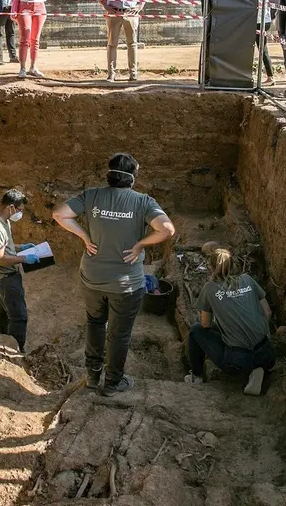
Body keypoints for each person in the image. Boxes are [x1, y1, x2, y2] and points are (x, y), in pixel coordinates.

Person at [53, 153, 175, 396]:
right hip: (126, 284)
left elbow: (59, 214)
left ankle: (92, 376)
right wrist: (140, 245)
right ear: (133, 178)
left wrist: (84, 236)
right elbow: (167, 229)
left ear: (109, 175)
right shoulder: (143, 201)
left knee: (96, 323)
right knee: (119, 334)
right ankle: (113, 383)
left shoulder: (92, 195)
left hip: (92, 278)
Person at [184, 248, 275, 395]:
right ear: (233, 265)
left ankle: (197, 377)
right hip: (267, 354)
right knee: (251, 347)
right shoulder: (247, 280)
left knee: (195, 330)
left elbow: (206, 324)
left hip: (236, 362)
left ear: (211, 267)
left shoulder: (210, 288)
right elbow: (268, 312)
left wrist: (223, 324)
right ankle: (257, 368)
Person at [0, 189, 40, 351]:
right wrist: (24, 259)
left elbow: (5, 248)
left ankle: (2, 342)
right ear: (11, 207)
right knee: (19, 317)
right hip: (5, 276)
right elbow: (0, 258)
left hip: (2, 274)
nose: (20, 214)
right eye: (20, 211)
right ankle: (15, 352)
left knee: (5, 310)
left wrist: (21, 248)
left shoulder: (2, 219)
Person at [15, 0, 54, 79]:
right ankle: (22, 68)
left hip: (39, 6)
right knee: (25, 36)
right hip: (25, 5)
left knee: (35, 39)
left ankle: (33, 67)